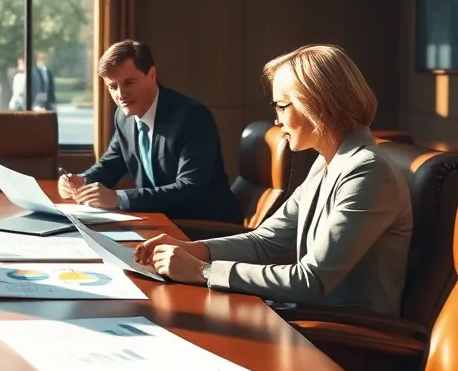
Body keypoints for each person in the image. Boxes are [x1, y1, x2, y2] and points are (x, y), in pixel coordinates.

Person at [135, 44, 413, 314]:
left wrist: (202, 271)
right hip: (306, 320)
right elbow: (265, 241)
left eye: (281, 106)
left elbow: (310, 281)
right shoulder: (326, 162)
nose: (277, 121)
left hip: (350, 339)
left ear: (315, 105)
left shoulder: (368, 172)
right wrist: (195, 250)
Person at [58, 39, 240, 223]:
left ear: (151, 75)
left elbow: (190, 190)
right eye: (113, 87)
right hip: (159, 221)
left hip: (205, 227)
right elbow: (110, 165)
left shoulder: (192, 117)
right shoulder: (123, 117)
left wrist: (119, 198)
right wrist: (82, 181)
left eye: (129, 83)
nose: (120, 94)